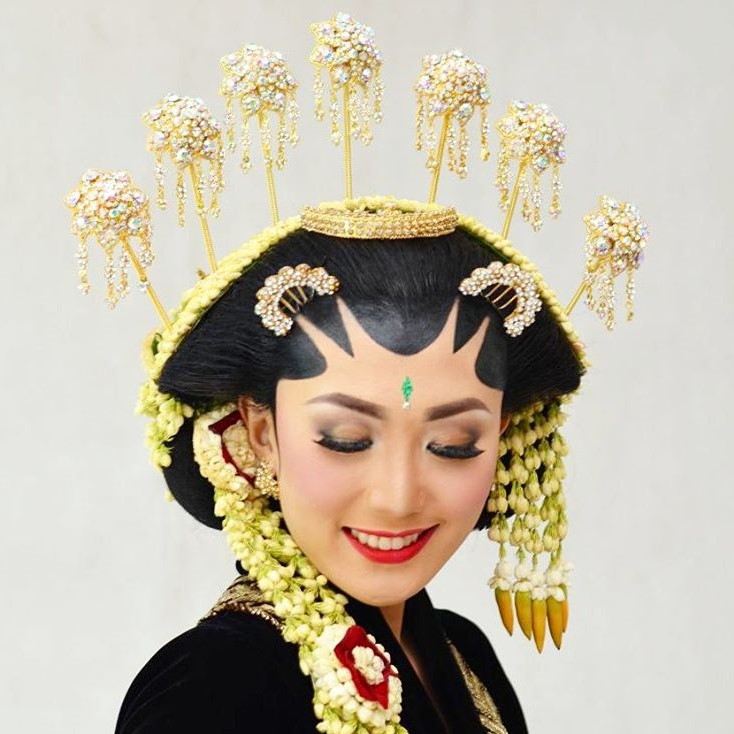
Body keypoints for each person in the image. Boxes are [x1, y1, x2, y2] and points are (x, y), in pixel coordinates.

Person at [112, 201, 584, 734]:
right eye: (347, 440)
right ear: (261, 432)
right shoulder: (213, 685)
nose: (398, 497)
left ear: (499, 433)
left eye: (453, 444)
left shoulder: (463, 652)